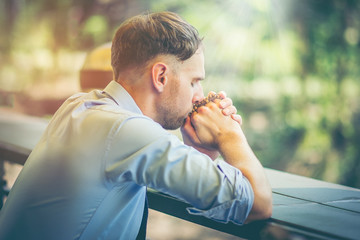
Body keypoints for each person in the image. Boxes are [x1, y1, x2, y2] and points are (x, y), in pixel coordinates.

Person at [0, 11, 272, 239]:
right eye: (194, 81)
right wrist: (230, 133)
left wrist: (200, 151)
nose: (199, 95)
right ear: (161, 76)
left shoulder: (79, 105)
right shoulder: (129, 132)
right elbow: (256, 205)